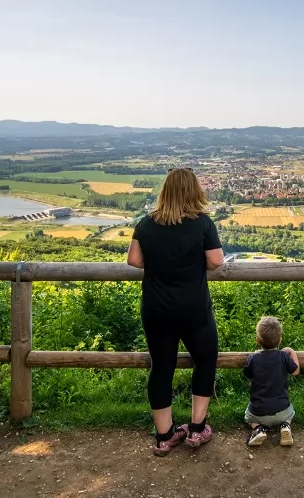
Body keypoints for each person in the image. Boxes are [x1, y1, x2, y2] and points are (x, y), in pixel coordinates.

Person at [126, 168, 225, 456]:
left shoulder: (146, 223)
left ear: (165, 191)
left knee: (161, 368)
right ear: (195, 191)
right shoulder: (203, 224)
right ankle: (196, 429)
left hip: (156, 309)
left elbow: (133, 259)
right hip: (193, 309)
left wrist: (160, 263)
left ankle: (164, 436)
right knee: (205, 360)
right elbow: (216, 261)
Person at [242, 316, 300, 447]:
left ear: (258, 340)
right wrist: (292, 351)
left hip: (259, 412)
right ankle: (285, 426)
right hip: (283, 411)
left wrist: (254, 356)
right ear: (280, 339)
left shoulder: (253, 358)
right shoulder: (284, 356)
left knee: (247, 416)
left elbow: (247, 374)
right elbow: (296, 371)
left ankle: (258, 429)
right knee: (291, 413)